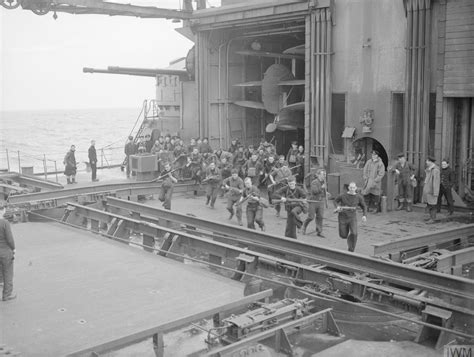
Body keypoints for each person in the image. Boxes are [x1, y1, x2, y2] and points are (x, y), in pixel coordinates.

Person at [334, 182, 367, 252]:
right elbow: (335, 201)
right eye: (351, 188)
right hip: (343, 216)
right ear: (348, 188)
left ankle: (351, 249)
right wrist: (338, 207)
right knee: (343, 235)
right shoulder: (343, 195)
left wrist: (364, 215)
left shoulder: (358, 197)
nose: (352, 189)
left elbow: (364, 206)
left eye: (353, 188)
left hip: (352, 217)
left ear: (355, 188)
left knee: (354, 233)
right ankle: (348, 236)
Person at [302, 168, 326, 237]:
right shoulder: (314, 182)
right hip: (313, 201)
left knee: (320, 217)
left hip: (320, 202)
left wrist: (326, 193)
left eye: (324, 174)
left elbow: (323, 192)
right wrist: (322, 188)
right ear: (318, 175)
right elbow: (315, 191)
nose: (324, 176)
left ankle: (319, 231)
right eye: (322, 174)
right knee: (311, 217)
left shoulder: (323, 182)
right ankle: (304, 226)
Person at [0, 202, 16, 301]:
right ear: (2, 210)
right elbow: (9, 239)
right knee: (8, 272)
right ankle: (7, 295)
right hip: (5, 251)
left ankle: (0, 281)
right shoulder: (5, 223)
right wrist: (13, 248)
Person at [422, 156, 440, 224]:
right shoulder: (429, 169)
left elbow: (436, 182)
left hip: (432, 191)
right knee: (429, 204)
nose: (426, 162)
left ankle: (433, 218)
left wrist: (435, 192)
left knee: (433, 205)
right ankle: (430, 217)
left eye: (427, 161)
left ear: (430, 161)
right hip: (428, 190)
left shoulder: (435, 170)